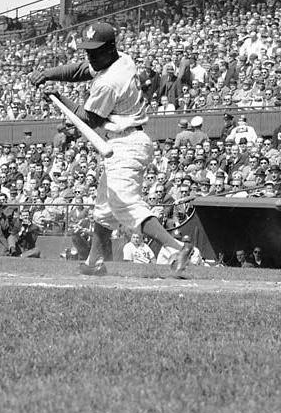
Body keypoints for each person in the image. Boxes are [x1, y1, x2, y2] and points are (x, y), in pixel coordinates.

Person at [29, 21, 190, 276]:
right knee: (104, 209)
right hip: (124, 140)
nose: (90, 55)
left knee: (125, 204)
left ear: (110, 48)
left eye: (96, 50)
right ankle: (95, 262)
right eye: (88, 49)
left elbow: (90, 119)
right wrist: (49, 73)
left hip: (126, 144)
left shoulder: (111, 81)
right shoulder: (121, 59)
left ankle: (176, 247)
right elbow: (83, 69)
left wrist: (57, 96)